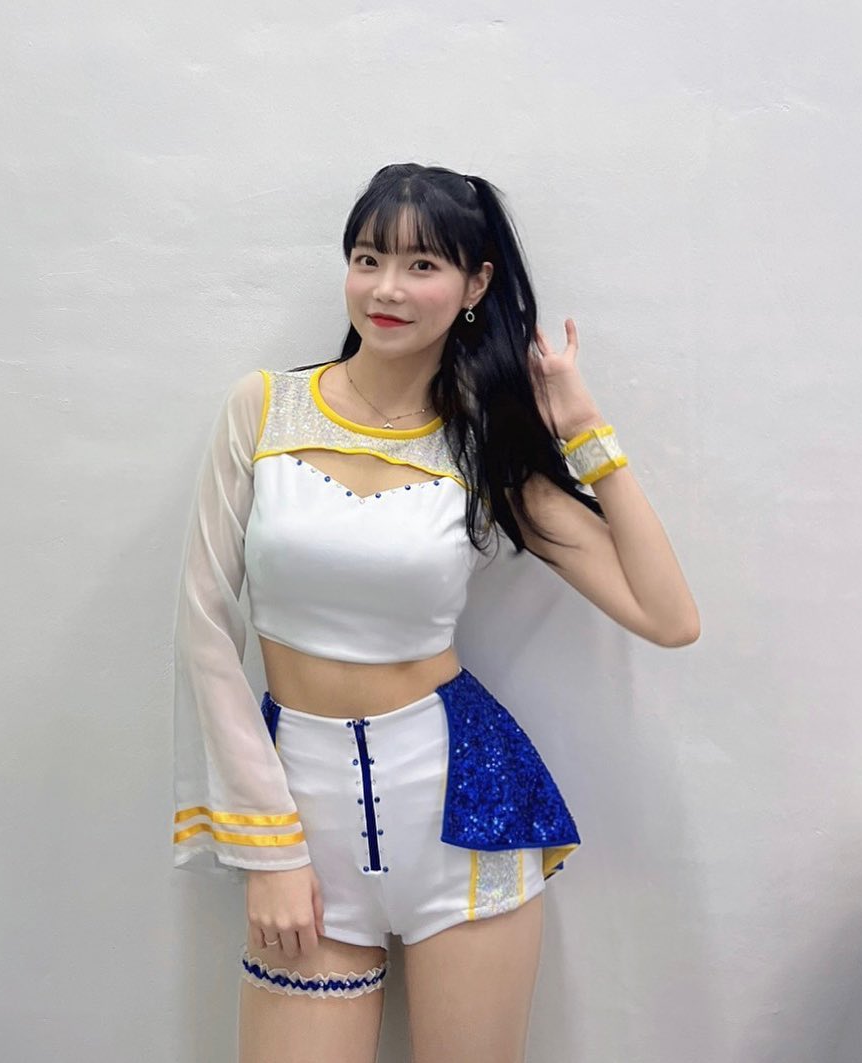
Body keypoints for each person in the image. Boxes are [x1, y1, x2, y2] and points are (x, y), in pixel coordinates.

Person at [171, 163, 700, 1063]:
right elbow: (203, 628)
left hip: (465, 808)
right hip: (298, 815)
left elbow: (667, 614)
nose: (386, 288)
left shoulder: (482, 446)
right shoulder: (261, 409)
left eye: (421, 265)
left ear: (474, 285)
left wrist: (583, 429)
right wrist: (268, 851)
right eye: (367, 258)